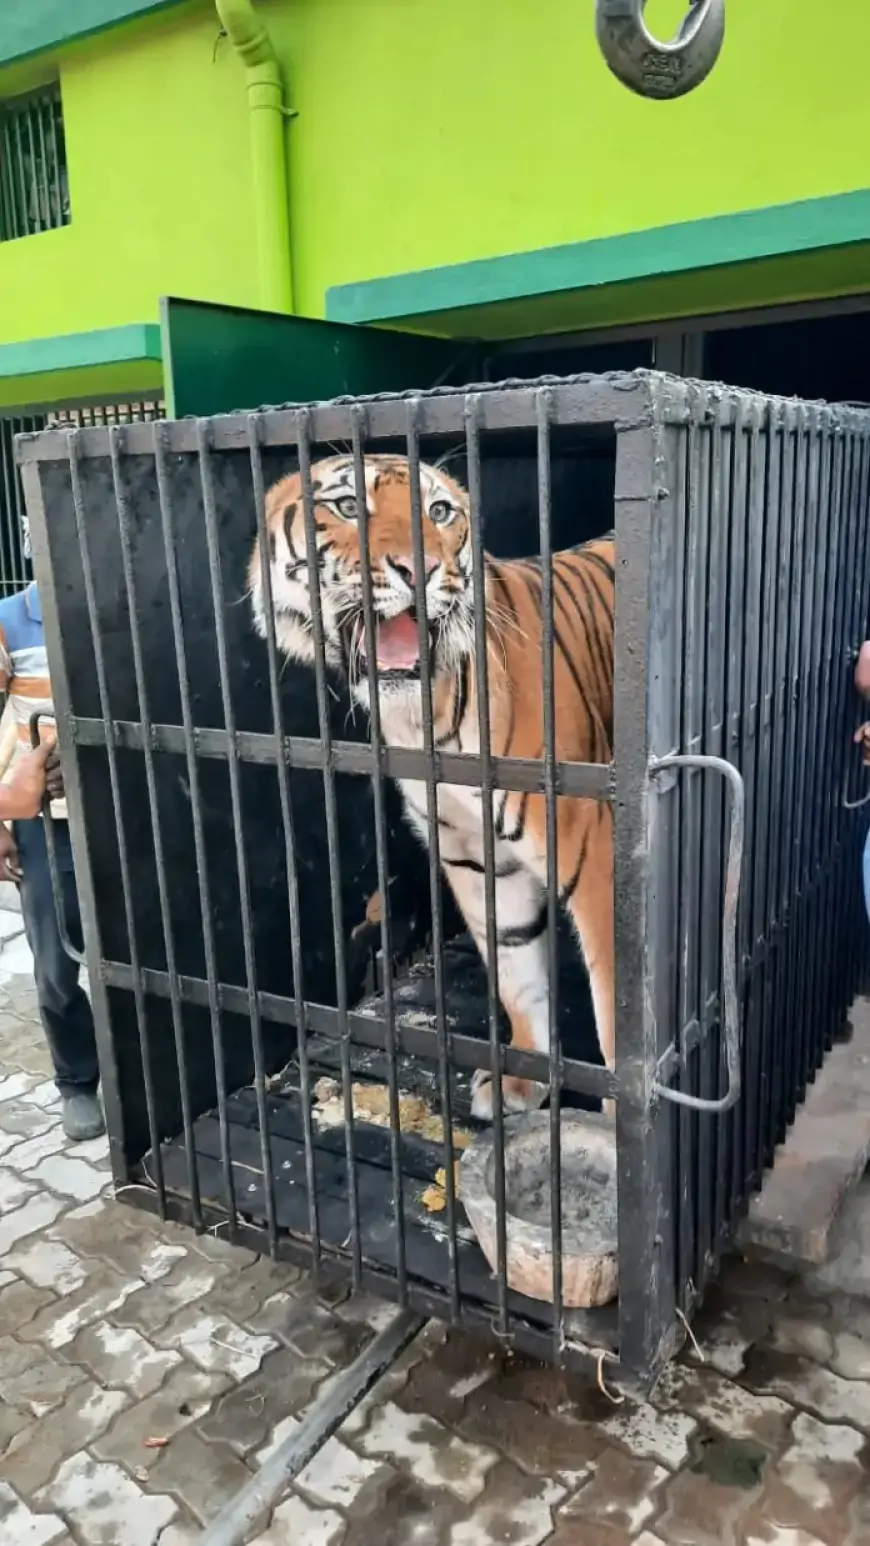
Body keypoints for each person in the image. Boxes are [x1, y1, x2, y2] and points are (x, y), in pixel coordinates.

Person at [0, 580, 105, 1141]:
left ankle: (145, 1072)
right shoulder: (10, 620)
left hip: (127, 821)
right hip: (45, 824)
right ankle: (78, 1082)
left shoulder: (125, 605)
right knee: (56, 967)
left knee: (141, 956)